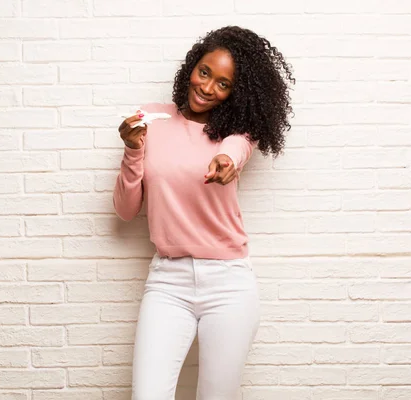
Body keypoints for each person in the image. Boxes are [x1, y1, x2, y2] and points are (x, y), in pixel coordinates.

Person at [113, 26, 295, 400]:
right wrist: (133, 152)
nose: (208, 87)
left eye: (223, 84)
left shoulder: (238, 133)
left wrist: (228, 161)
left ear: (236, 93)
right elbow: (126, 210)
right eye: (205, 72)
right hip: (168, 282)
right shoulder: (151, 120)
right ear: (191, 68)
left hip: (228, 284)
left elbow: (235, 150)